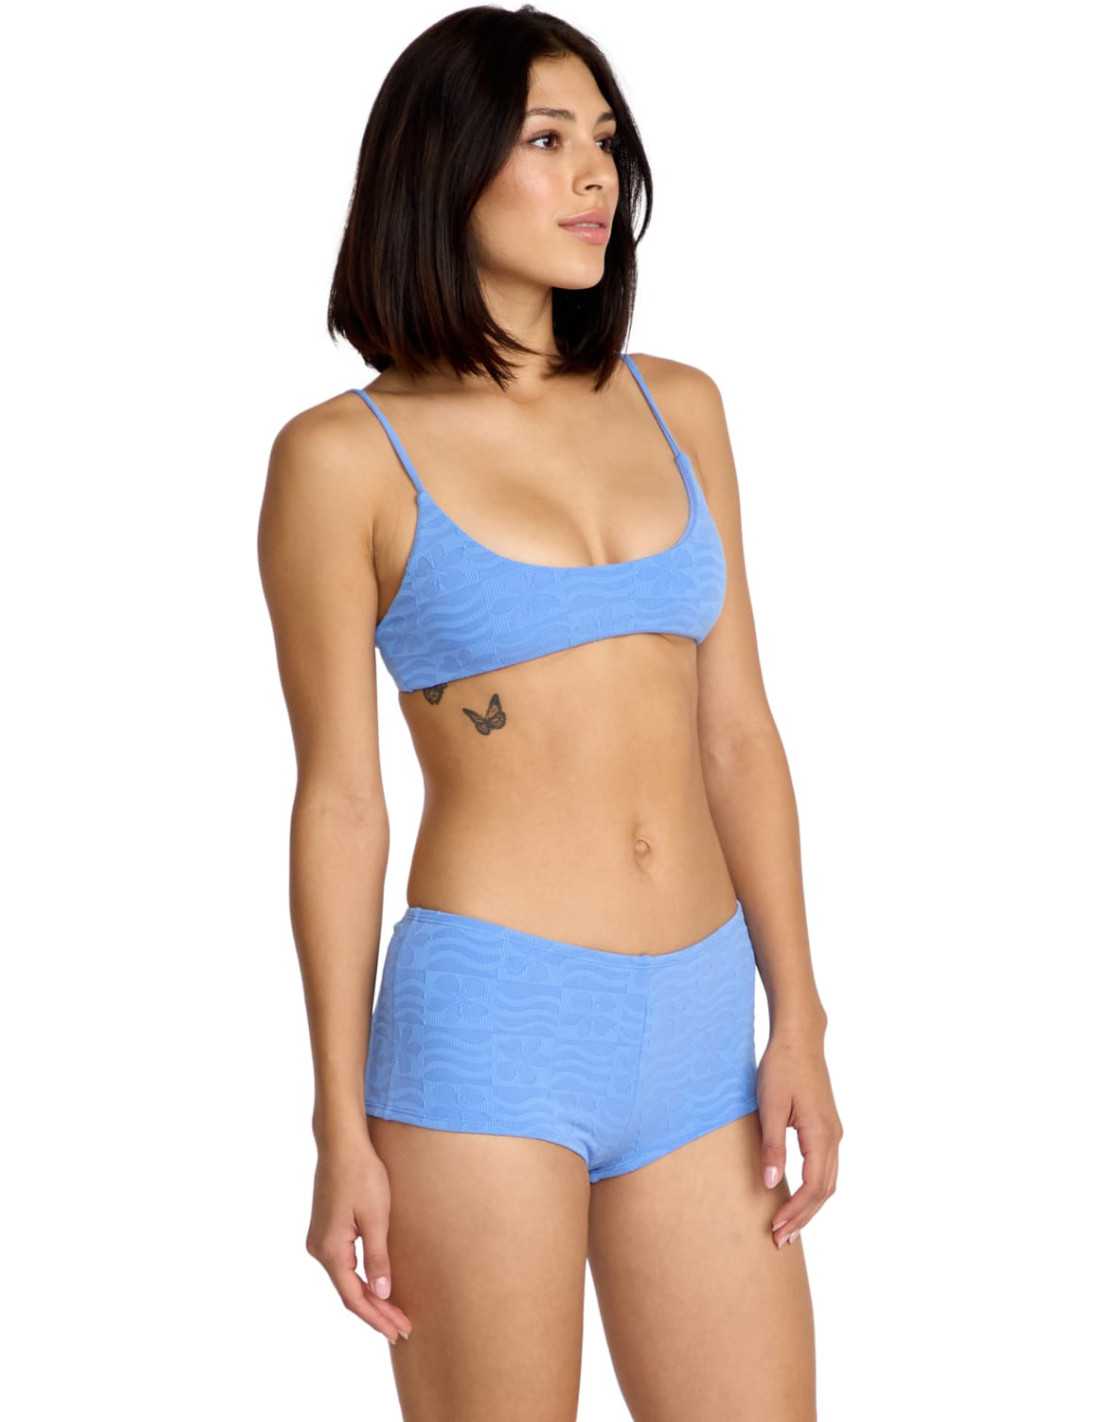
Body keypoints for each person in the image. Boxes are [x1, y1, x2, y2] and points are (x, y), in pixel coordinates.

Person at [258, 6, 842, 1418]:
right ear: (445, 166)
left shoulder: (679, 407)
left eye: (606, 140)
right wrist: (338, 1119)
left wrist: (801, 1014)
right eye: (545, 138)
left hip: (702, 1024)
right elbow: (341, 799)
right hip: (490, 1033)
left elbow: (738, 733)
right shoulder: (344, 458)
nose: (596, 175)